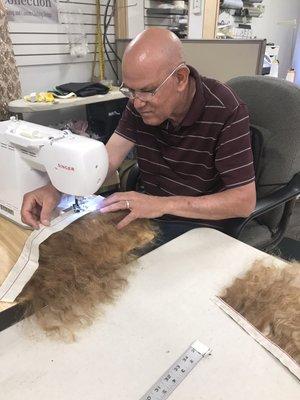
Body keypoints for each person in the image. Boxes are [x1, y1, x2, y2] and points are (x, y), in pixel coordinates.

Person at [21, 28, 256, 242]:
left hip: (201, 225)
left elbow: (244, 202)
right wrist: (56, 189)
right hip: (152, 213)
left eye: (146, 91)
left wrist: (162, 204)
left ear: (180, 78)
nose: (136, 102)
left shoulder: (226, 109)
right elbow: (108, 160)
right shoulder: (139, 103)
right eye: (129, 90)